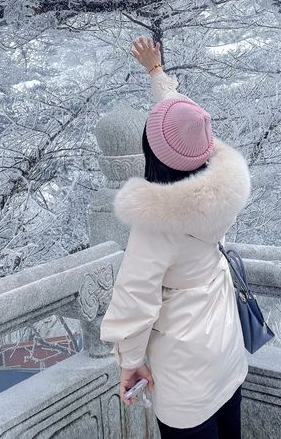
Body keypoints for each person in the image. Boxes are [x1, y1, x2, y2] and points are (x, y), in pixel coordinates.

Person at [100, 36, 251, 438]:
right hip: (226, 348)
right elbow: (185, 126)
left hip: (186, 371)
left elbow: (135, 298)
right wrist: (156, 73)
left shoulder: (157, 223)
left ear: (149, 150)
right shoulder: (223, 182)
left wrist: (130, 361)